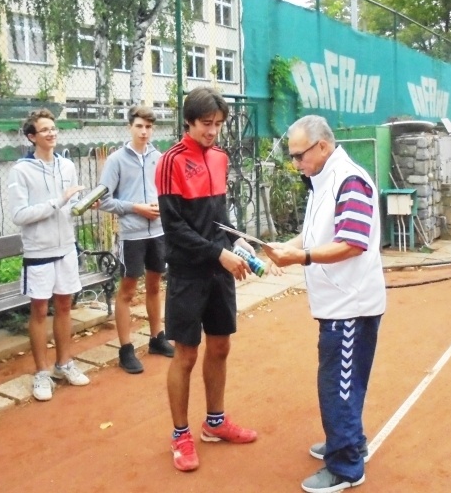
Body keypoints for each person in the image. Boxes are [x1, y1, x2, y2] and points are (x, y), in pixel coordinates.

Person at [264, 115, 386, 493]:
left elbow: (351, 242)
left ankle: (347, 466)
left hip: (351, 305)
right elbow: (318, 231)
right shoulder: (322, 179)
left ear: (322, 146)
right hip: (337, 302)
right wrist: (291, 245)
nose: (296, 163)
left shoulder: (349, 180)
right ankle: (347, 442)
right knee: (340, 380)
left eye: (299, 155)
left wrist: (300, 258)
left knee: (339, 385)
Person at [155, 87, 258, 472]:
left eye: (218, 124)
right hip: (187, 273)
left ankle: (215, 423)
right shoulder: (170, 161)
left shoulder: (220, 158)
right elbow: (174, 228)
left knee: (220, 348)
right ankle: (180, 435)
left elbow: (218, 218)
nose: (213, 131)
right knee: (186, 354)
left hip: (220, 269)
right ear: (189, 122)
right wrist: (219, 252)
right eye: (206, 124)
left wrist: (237, 239)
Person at [7, 109, 90, 401]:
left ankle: (64, 363)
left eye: (53, 128)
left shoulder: (67, 166)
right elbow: (19, 215)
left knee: (65, 306)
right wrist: (59, 201)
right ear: (32, 137)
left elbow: (72, 204)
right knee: (40, 311)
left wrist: (82, 205)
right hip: (38, 251)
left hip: (66, 247)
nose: (51, 133)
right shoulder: (20, 171)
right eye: (44, 130)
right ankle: (41, 373)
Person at [96, 105, 174, 373]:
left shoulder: (159, 157)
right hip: (132, 235)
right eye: (139, 126)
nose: (144, 131)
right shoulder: (116, 160)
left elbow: (167, 192)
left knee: (154, 286)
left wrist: (161, 209)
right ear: (130, 127)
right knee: (128, 291)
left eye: (149, 127)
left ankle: (157, 338)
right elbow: (103, 200)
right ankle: (126, 349)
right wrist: (136, 208)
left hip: (159, 233)